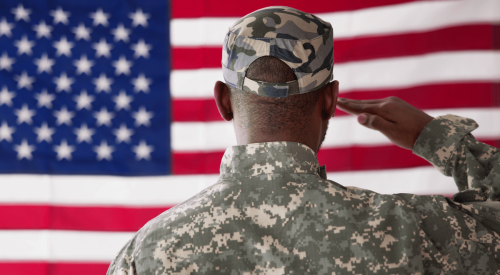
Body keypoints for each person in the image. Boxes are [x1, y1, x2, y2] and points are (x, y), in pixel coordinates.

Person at [107, 6, 500, 275]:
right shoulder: (408, 231)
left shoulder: (148, 252)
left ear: (223, 101)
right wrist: (436, 139)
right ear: (329, 100)